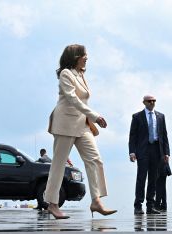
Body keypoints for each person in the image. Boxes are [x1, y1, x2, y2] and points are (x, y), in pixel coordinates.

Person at [44, 44, 117, 219]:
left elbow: (82, 100)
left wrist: (90, 118)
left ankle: (96, 200)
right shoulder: (66, 74)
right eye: (84, 55)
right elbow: (72, 98)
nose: (86, 58)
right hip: (65, 123)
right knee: (59, 164)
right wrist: (95, 116)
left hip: (82, 124)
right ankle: (52, 204)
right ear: (75, 56)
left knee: (95, 159)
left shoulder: (81, 75)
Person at [129, 95, 170, 215]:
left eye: (154, 101)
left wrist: (166, 152)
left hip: (157, 150)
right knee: (141, 178)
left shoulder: (161, 116)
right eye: (149, 101)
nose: (152, 103)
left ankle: (150, 206)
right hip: (143, 150)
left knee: (153, 179)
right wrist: (132, 152)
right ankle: (138, 206)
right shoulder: (137, 116)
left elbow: (164, 135)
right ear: (144, 102)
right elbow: (133, 136)